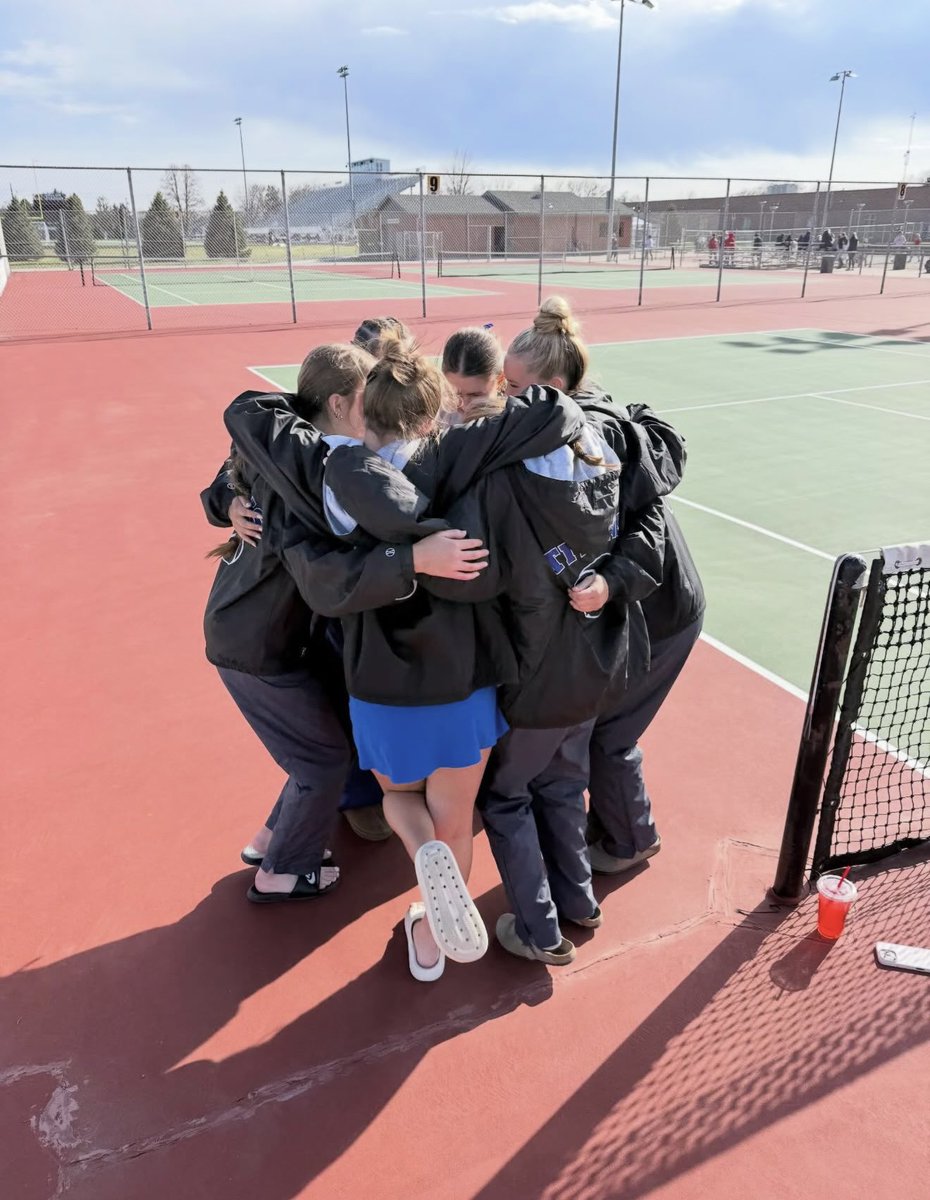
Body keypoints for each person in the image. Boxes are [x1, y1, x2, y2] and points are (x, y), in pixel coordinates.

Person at [226, 341, 590, 980]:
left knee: (399, 798)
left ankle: (420, 850)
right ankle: (430, 935)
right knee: (457, 818)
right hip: (461, 678)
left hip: (378, 683)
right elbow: (553, 419)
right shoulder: (459, 463)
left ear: (361, 410)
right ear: (431, 414)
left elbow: (252, 421)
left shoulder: (326, 482)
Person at [201, 345, 486, 901]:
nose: (375, 407)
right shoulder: (320, 473)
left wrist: (223, 501)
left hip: (259, 633)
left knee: (321, 743)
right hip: (257, 645)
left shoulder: (283, 451)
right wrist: (413, 558)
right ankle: (284, 871)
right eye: (365, 397)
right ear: (336, 404)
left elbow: (232, 462)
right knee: (322, 759)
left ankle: (271, 839)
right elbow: (326, 574)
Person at [502, 298, 704, 882]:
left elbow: (648, 528)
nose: (504, 398)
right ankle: (612, 824)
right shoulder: (567, 425)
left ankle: (630, 839)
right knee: (597, 725)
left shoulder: (595, 443)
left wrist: (612, 582)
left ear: (553, 388)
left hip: (662, 610)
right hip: (637, 604)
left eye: (513, 388)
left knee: (609, 732)